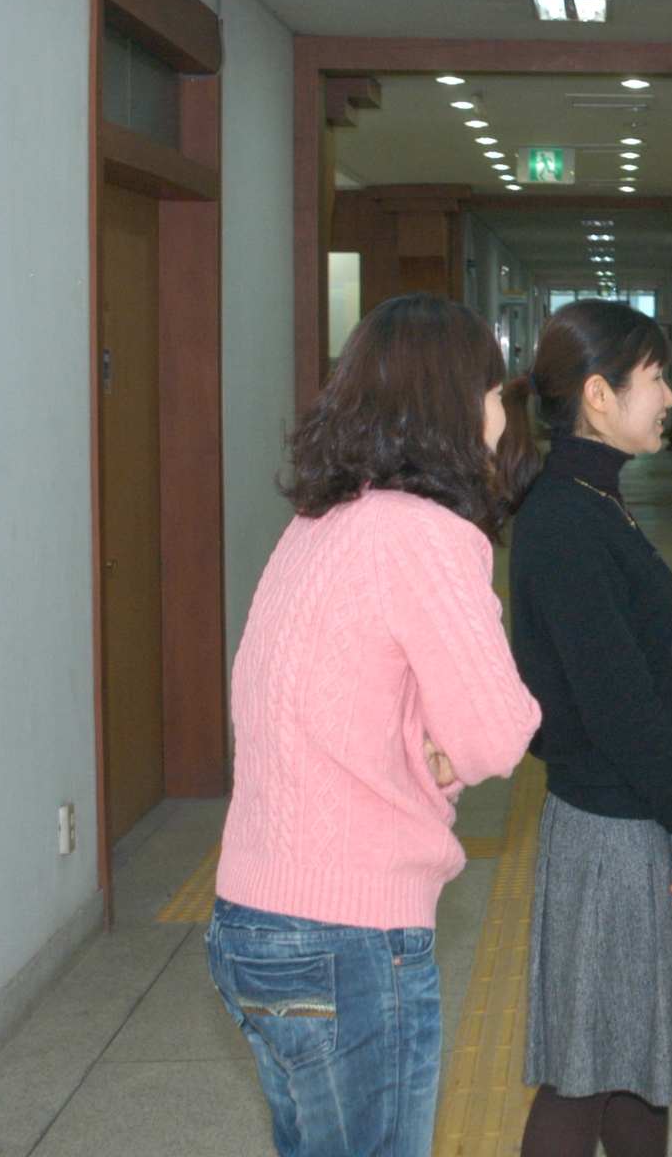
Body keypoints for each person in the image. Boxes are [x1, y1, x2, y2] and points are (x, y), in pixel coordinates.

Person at [209, 294, 543, 1157]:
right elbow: (498, 731)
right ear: (455, 404)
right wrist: (449, 746)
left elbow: (330, 706)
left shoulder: (321, 522)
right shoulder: (424, 534)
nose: (505, 415)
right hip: (347, 937)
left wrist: (433, 746)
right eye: (497, 394)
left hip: (253, 919)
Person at [503, 300, 672, 1157]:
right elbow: (616, 700)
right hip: (616, 825)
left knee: (636, 1056)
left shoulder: (585, 498)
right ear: (600, 396)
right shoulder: (569, 517)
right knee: (588, 1074)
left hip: (617, 813)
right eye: (657, 379)